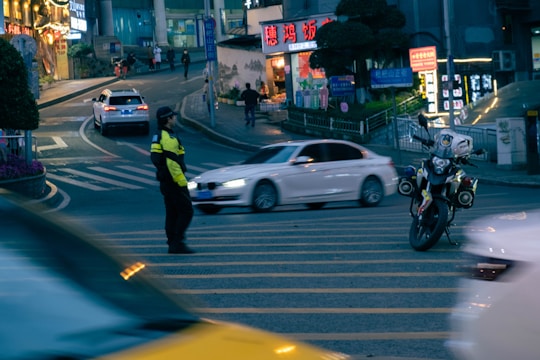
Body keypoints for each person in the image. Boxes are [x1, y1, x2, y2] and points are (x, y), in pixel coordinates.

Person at [150, 106, 194, 254]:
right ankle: (177, 242)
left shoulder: (158, 135)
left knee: (172, 212)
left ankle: (172, 243)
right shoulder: (168, 138)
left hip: (165, 182)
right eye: (173, 117)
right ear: (168, 119)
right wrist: (182, 182)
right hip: (174, 182)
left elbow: (156, 158)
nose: (175, 118)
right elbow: (173, 164)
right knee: (187, 211)